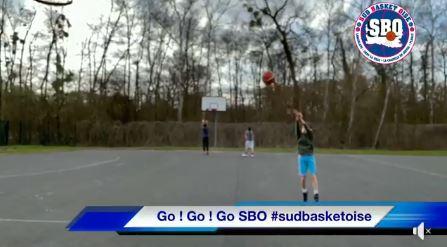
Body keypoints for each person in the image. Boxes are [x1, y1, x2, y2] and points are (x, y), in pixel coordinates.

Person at [293, 110, 319, 202]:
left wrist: (302, 120)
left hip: (310, 157)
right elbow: (296, 128)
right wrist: (297, 120)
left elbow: (308, 128)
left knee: (313, 175)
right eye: (302, 127)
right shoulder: (299, 136)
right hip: (302, 157)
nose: (302, 128)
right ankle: (304, 191)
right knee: (303, 178)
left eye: (304, 127)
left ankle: (316, 193)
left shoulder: (310, 135)